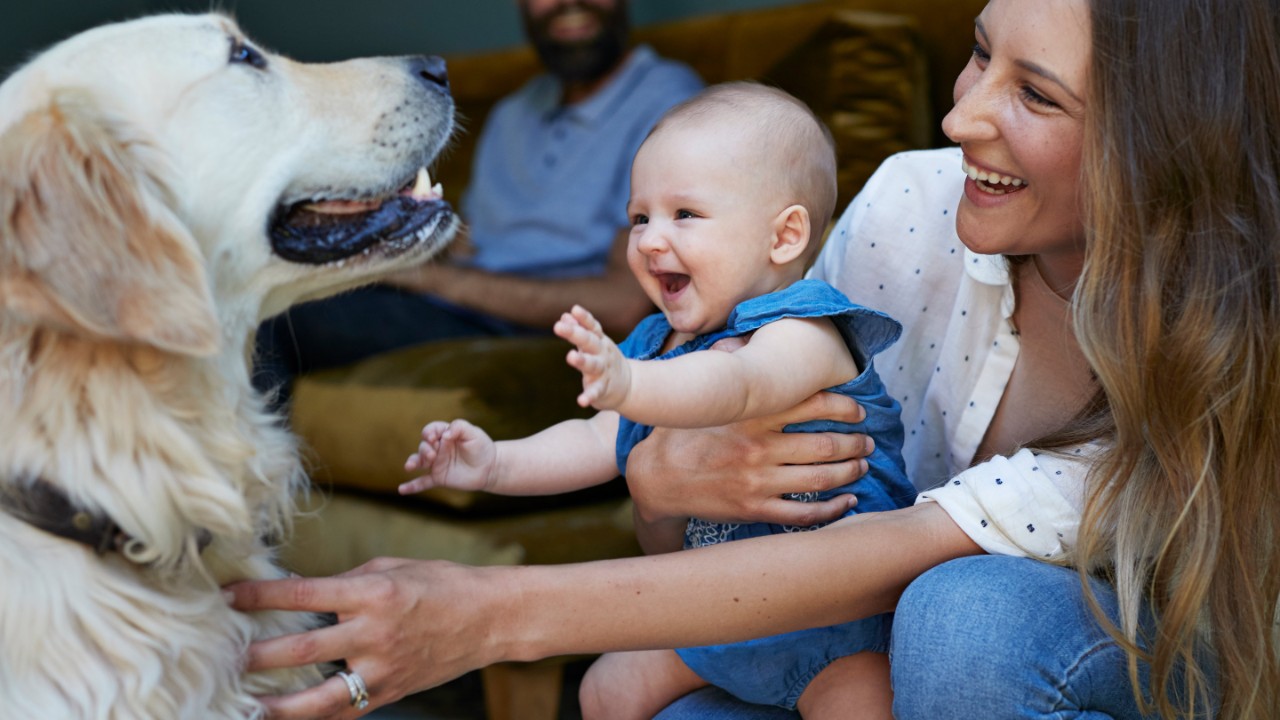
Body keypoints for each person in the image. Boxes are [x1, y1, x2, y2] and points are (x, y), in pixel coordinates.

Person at [229, 1, 1280, 719]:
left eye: (1035, 96)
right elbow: (685, 501)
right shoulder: (913, 206)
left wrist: (487, 614)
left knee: (966, 618)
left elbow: (880, 545)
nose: (958, 114)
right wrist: (642, 473)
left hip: (1120, 640)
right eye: (974, 51)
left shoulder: (1211, 331)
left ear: (1158, 149)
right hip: (838, 606)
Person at [398, 83, 914, 720]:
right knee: (603, 691)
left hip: (837, 627)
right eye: (639, 217)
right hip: (714, 613)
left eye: (684, 215)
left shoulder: (805, 331)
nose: (647, 239)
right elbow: (594, 440)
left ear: (783, 238)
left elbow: (736, 385)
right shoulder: (658, 343)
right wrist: (493, 465)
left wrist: (633, 385)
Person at [252, 0, 703, 403]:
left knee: (274, 319)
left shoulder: (668, 100)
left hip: (527, 331)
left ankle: (241, 491)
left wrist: (427, 279)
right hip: (450, 307)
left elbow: (623, 304)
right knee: (267, 289)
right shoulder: (512, 113)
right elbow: (468, 243)